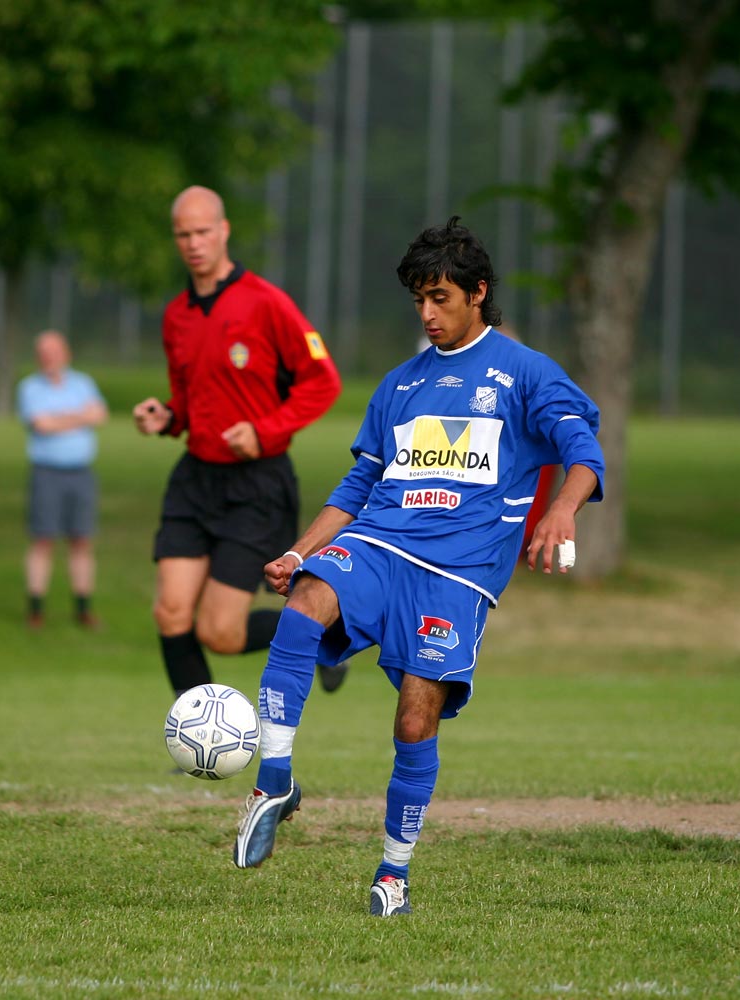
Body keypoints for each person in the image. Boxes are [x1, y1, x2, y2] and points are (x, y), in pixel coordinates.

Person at [230, 217, 604, 916]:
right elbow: (356, 488)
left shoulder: (525, 373)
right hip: (379, 543)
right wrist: (297, 551)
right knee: (307, 599)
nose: (428, 315)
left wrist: (563, 510)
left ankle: (393, 876)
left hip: (457, 575)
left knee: (413, 718)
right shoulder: (400, 386)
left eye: (440, 299)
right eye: (419, 302)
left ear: (477, 293)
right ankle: (273, 780)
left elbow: (584, 452)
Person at [133, 185, 341, 697]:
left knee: (219, 633)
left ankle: (326, 632)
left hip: (256, 486)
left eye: (203, 231)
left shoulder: (266, 303)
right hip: (194, 480)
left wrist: (265, 430)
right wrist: (167, 416)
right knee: (171, 612)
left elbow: (324, 382)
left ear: (223, 231)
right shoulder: (177, 314)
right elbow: (188, 398)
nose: (193, 243)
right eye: (183, 234)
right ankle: (197, 739)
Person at [18, 329, 108, 630]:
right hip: (47, 473)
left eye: (53, 351)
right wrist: (79, 417)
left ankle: (83, 606)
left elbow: (100, 415)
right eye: (43, 352)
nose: (48, 358)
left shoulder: (83, 383)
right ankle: (36, 607)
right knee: (43, 540)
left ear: (65, 353)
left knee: (81, 540)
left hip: (81, 472)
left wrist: (63, 419)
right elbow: (41, 424)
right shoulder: (30, 387)